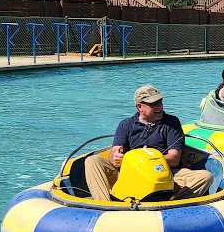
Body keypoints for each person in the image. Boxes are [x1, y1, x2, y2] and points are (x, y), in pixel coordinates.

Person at [85, 85, 213, 201]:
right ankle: (105, 205)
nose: (159, 107)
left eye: (160, 102)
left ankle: (172, 204)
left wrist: (147, 159)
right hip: (129, 173)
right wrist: (115, 158)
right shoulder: (126, 124)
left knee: (205, 177)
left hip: (165, 174)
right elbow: (114, 153)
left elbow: (174, 158)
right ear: (139, 106)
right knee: (92, 161)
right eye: (153, 104)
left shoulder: (171, 123)